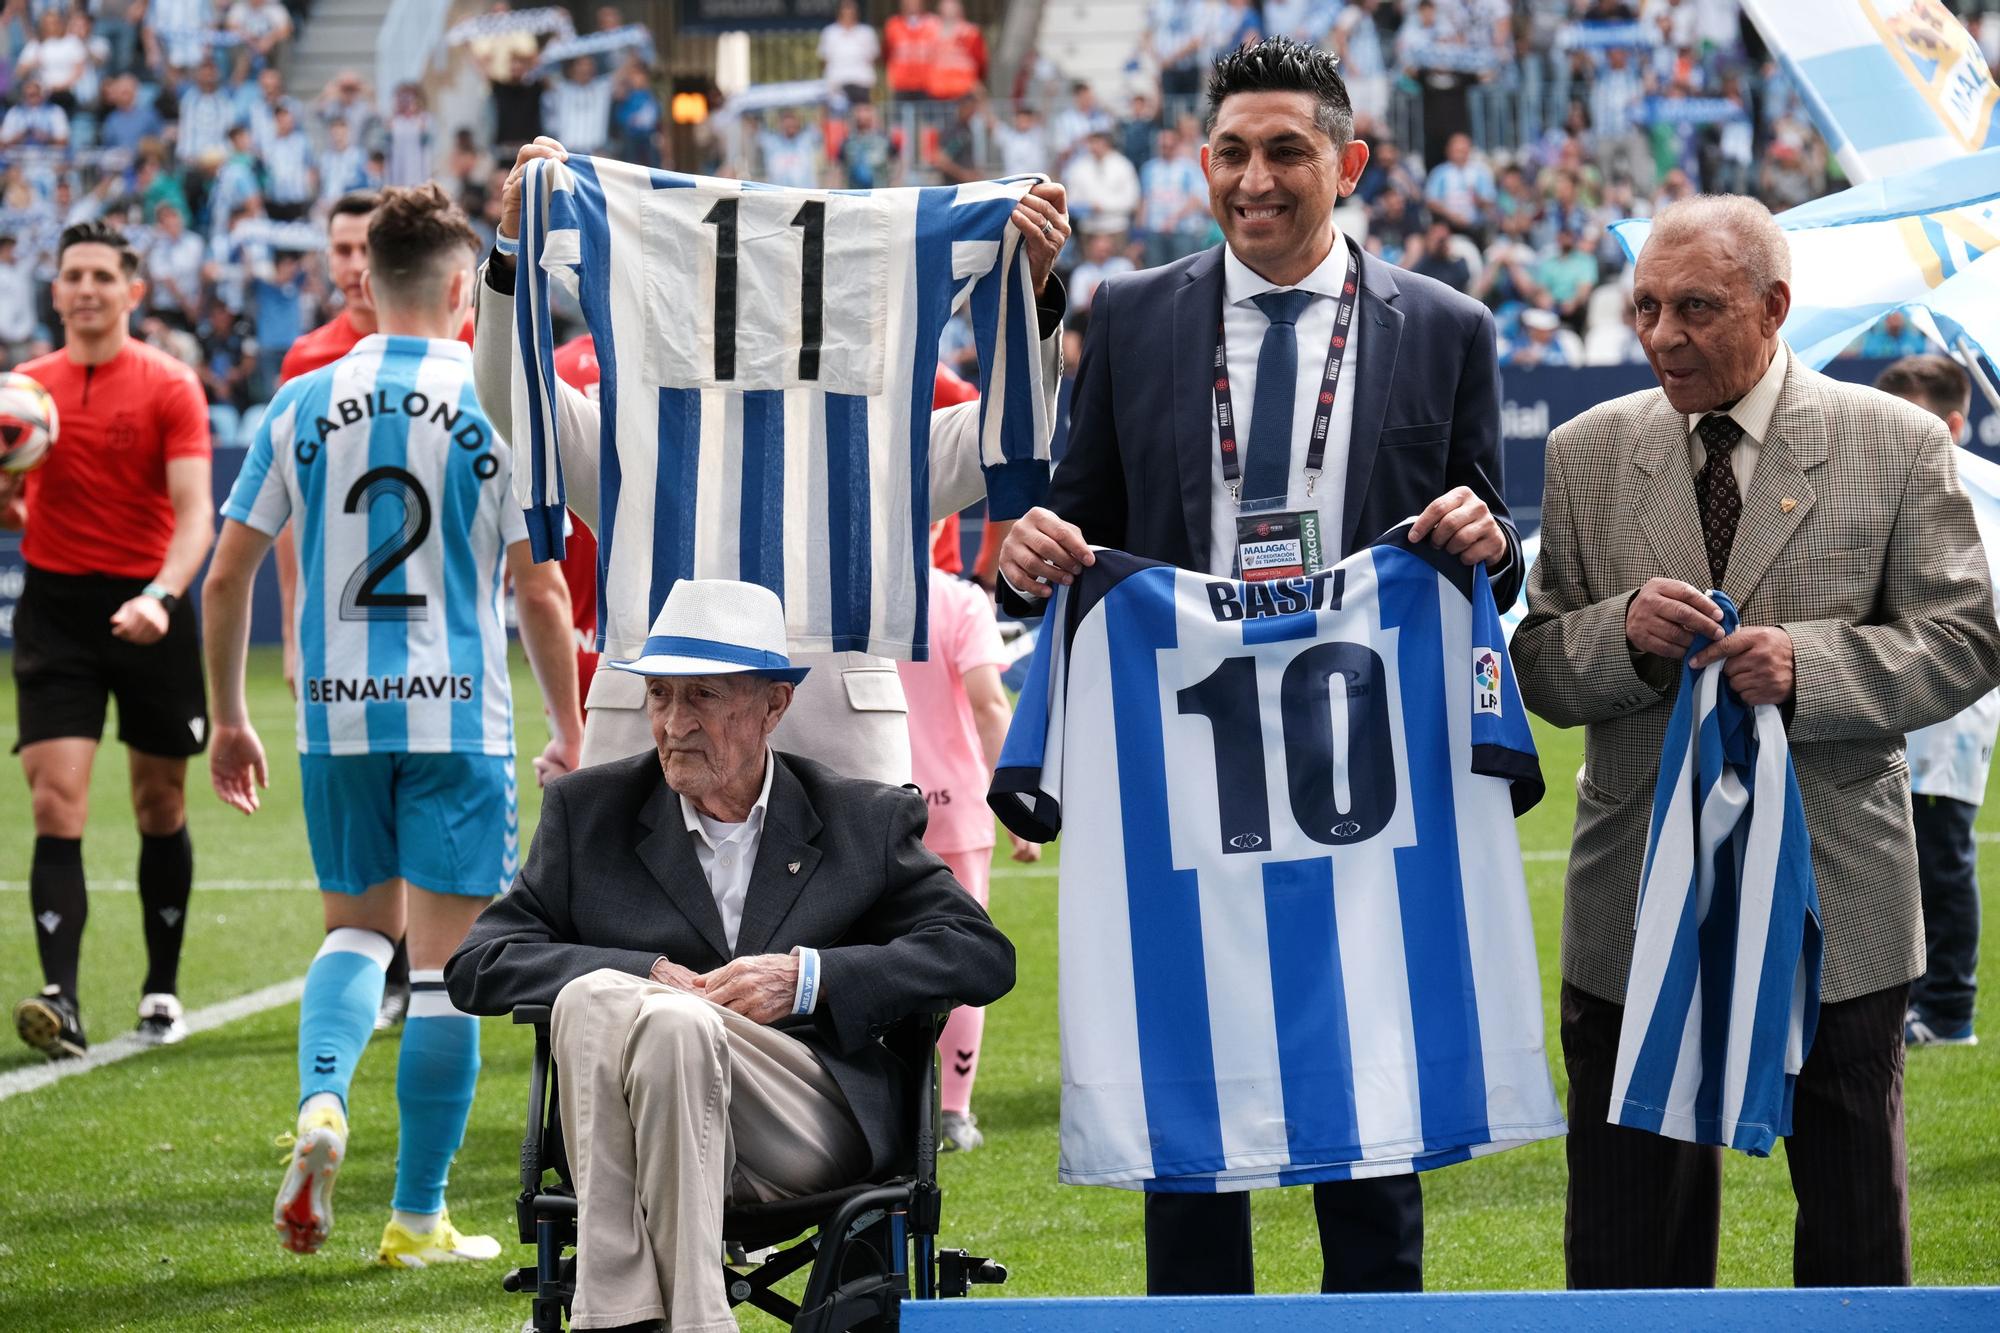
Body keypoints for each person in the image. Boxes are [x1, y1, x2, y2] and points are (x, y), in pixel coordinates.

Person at [997, 36, 1519, 1298]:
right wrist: (1030, 549)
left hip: (1364, 766)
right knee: (1194, 1111)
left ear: (1347, 163)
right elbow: (1080, 519)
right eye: (1229, 151)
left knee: (1367, 1104)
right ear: (1199, 163)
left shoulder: (1446, 327)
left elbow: (1487, 556)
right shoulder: (1126, 317)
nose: (1254, 178)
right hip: (1188, 756)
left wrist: (1484, 541)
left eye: (1285, 149)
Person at [1510, 195, 2000, 1290]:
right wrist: (1620, 633)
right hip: (1636, 910)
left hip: (1837, 900)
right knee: (1626, 1248)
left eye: (1694, 307)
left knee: (1854, 1241)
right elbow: (1538, 663)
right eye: (1644, 308)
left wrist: (1810, 668)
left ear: (1773, 307)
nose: (1661, 336)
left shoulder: (1896, 444)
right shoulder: (1585, 454)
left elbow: (1965, 641)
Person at [445, 578, 1016, 1331]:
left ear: (774, 706)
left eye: (704, 697)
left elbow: (981, 952)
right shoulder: (590, 814)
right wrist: (643, 972)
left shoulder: (859, 820)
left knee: (624, 1006)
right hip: (645, 1114)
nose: (674, 723)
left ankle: (613, 1313)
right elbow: (478, 962)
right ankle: (672, 1318)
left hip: (804, 1121)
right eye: (660, 696)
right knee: (656, 1018)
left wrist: (806, 979)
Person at [201, 184, 583, 1268]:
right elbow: (542, 592)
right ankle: (416, 1217)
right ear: (465, 290)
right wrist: (569, 729)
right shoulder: (502, 400)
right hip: (457, 715)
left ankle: (323, 1101)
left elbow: (226, 581)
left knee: (355, 932)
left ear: (362, 280)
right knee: (448, 969)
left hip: (332, 716)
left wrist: (231, 717)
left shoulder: (297, 401)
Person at [470, 134, 1071, 787]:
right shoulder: (636, 431)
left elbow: (1002, 437)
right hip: (651, 746)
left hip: (834, 746)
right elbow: (514, 397)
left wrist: (1026, 301)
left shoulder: (867, 434)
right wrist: (509, 257)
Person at [3, 220, 214, 1059]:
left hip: (149, 604)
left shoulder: (169, 385)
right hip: (56, 609)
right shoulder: (23, 391)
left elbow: (195, 512)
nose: (85, 288)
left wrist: (162, 596)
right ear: (53, 291)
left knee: (159, 803)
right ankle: (61, 996)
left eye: (102, 274)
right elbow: (14, 506)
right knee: (55, 800)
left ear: (134, 290)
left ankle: (161, 988)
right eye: (72, 275)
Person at [896, 542, 1040, 1153]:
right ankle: (953, 1113)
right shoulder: (959, 601)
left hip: (872, 801)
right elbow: (988, 707)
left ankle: (890, 1109)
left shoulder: (852, 600)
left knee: (873, 960)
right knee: (960, 960)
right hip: (954, 805)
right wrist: (1017, 804)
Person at [1873, 355, 2000, 1049]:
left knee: (1942, 853)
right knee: (1898, 859)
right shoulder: (1880, 486)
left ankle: (1950, 1008)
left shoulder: (1982, 497)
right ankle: (1918, 997)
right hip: (1885, 704)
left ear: (1954, 423)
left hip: (1950, 711)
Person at [818, 0, 880, 106]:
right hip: (836, 84)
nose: (848, 14)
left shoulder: (867, 32)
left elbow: (874, 58)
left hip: (862, 82)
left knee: (863, 117)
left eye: (851, 11)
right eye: (845, 11)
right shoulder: (829, 33)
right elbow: (824, 60)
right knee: (837, 118)